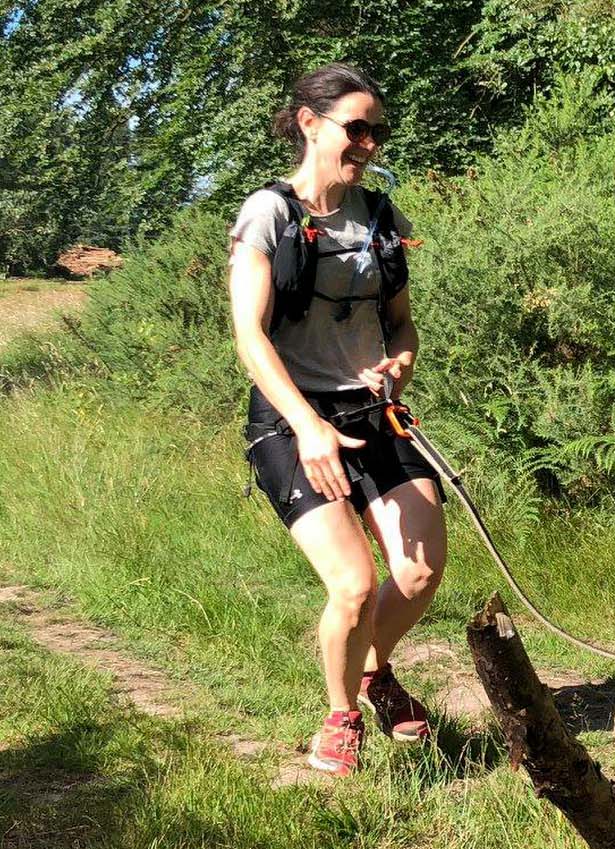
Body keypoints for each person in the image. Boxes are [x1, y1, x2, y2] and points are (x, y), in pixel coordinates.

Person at [227, 63, 444, 777]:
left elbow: (403, 326)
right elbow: (249, 337)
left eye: (377, 130)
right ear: (308, 122)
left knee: (418, 572)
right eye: (357, 127)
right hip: (294, 419)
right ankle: (340, 715)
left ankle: (374, 673)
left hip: (372, 411)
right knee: (352, 585)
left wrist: (399, 366)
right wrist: (309, 426)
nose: (370, 143)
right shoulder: (270, 213)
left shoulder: (381, 217)